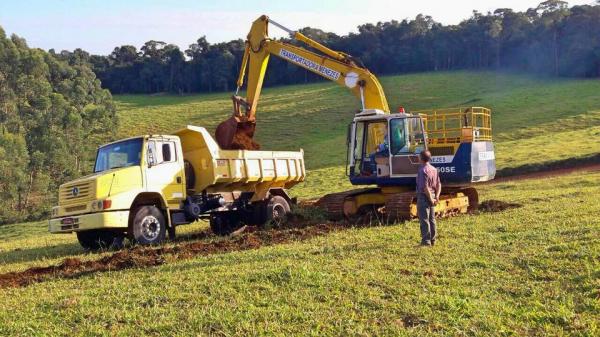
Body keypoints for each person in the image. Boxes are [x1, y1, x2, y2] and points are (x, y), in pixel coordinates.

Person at [416, 150, 441, 246]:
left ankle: (426, 242)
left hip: (424, 197)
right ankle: (433, 240)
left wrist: (430, 199)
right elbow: (439, 184)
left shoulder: (422, 170)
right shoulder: (434, 169)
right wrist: (436, 197)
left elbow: (425, 187)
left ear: (421, 158)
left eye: (419, 156)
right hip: (433, 196)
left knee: (424, 220)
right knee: (432, 219)